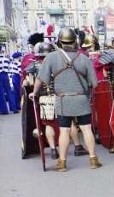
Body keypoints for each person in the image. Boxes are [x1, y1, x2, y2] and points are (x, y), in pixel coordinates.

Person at [31, 28, 101, 171]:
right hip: (81, 99)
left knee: (64, 131)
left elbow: (41, 78)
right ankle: (93, 160)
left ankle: (62, 163)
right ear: (75, 41)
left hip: (63, 100)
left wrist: (34, 92)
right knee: (87, 129)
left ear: (59, 41)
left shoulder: (51, 57)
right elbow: (94, 83)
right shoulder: (84, 59)